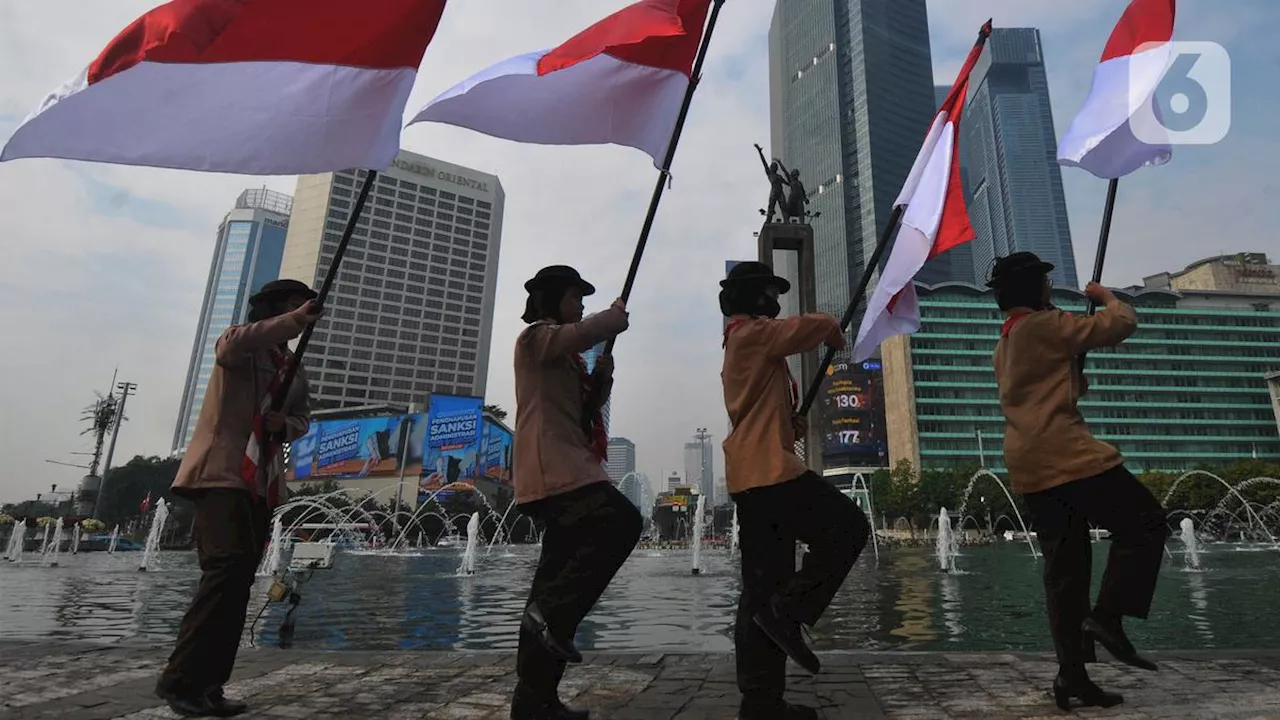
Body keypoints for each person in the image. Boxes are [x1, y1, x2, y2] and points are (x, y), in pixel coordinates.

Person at [988, 252, 1168, 711]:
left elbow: (1051, 386)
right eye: (1046, 282)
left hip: (1029, 462)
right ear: (1037, 289)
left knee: (1065, 573)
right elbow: (1121, 323)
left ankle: (1073, 676)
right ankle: (1107, 617)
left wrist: (1071, 373)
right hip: (1065, 452)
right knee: (1146, 522)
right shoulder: (1045, 326)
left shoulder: (1006, 341)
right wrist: (1104, 296)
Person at [156, 279, 321, 717]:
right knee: (224, 573)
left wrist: (283, 423)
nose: (297, 316)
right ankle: (181, 681)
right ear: (268, 308)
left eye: (303, 308)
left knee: (239, 582)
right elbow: (232, 345)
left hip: (261, 482)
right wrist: (292, 319)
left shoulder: (293, 368)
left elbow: (304, 418)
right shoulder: (240, 345)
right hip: (221, 474)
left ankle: (210, 684)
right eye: (289, 307)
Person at [719, 261, 870, 720]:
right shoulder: (751, 335)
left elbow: (758, 413)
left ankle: (761, 702)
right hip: (770, 472)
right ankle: (791, 612)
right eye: (768, 292)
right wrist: (832, 328)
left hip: (754, 474)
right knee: (847, 528)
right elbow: (811, 327)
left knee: (761, 589)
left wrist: (789, 422)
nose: (776, 300)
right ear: (750, 297)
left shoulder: (746, 344)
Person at [510, 265, 640, 720]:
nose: (581, 305)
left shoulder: (565, 358)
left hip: (567, 466)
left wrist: (602, 378)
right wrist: (611, 318)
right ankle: (553, 613)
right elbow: (578, 334)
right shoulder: (535, 339)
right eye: (574, 297)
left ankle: (534, 701)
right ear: (551, 300)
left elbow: (584, 414)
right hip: (555, 470)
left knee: (553, 574)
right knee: (622, 522)